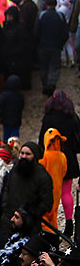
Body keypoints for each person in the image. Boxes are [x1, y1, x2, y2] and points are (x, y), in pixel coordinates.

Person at [38, 90, 80, 242]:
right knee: (66, 192)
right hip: (68, 158)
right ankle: (69, 223)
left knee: (53, 191)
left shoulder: (48, 118)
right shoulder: (72, 117)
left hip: (51, 159)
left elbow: (41, 140)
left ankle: (51, 223)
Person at [0, 142, 53, 234]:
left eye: (28, 154)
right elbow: (7, 187)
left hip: (28, 225)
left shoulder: (43, 176)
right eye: (22, 153)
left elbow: (46, 203)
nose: (23, 156)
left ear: (35, 156)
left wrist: (29, 214)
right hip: (7, 220)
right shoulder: (16, 168)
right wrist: (4, 204)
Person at [35, 0, 69, 97]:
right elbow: (65, 34)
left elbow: (36, 32)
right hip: (56, 46)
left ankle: (45, 85)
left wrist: (39, 43)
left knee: (44, 66)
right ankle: (51, 84)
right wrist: (60, 44)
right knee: (54, 66)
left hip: (43, 46)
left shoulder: (41, 16)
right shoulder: (60, 16)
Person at [39, 128, 68, 246]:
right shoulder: (62, 156)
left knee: (45, 214)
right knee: (54, 212)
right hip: (58, 188)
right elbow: (65, 171)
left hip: (47, 189)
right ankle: (54, 235)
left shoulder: (45, 156)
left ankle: (48, 236)